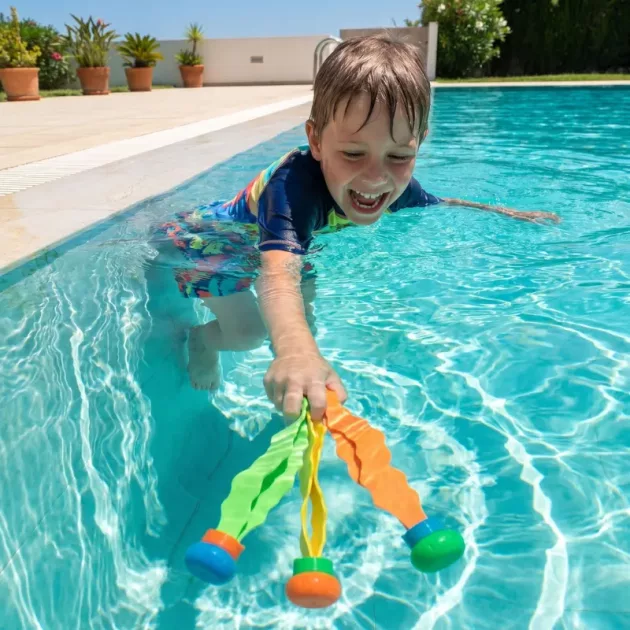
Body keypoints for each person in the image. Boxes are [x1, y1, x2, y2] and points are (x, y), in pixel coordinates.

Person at [157, 34, 559, 423]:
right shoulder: (292, 185)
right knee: (250, 335)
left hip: (290, 243)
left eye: (399, 156)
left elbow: (440, 201)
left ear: (419, 144)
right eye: (353, 153)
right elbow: (277, 272)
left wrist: (504, 212)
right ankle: (203, 339)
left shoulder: (396, 187)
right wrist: (294, 351)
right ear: (316, 140)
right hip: (218, 241)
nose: (375, 178)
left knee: (306, 322)